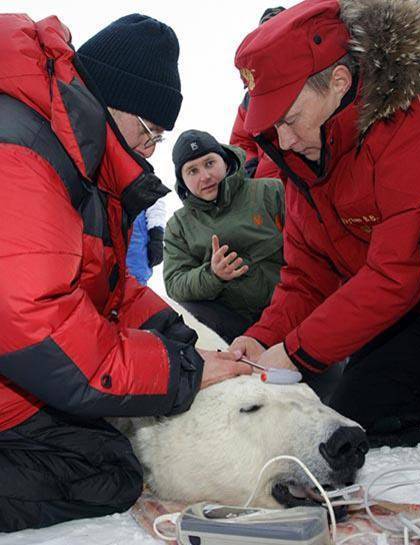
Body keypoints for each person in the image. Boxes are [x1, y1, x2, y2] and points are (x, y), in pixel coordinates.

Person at [0, 13, 250, 533]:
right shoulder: (23, 157)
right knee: (108, 472)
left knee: (104, 450)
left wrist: (179, 335)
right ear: (110, 99)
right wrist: (185, 372)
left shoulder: (73, 160)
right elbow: (36, 325)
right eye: (148, 131)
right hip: (17, 366)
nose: (148, 149)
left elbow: (107, 284)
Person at [231, 0, 420, 464]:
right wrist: (262, 338)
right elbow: (307, 277)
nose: (285, 140)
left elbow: (394, 277)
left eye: (290, 119)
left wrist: (294, 353)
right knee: (360, 417)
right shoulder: (308, 155)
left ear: (338, 82)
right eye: (273, 126)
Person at [163, 129, 285, 343]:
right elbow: (174, 283)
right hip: (233, 324)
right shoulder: (178, 226)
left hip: (289, 310)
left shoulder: (270, 192)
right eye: (192, 171)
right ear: (182, 181)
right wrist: (213, 274)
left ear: (226, 162)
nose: (205, 176)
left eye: (210, 163)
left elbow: (309, 243)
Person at [229, 6, 285, 180]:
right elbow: (241, 142)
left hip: (308, 181)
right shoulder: (251, 98)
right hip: (267, 190)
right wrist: (250, 171)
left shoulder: (311, 79)